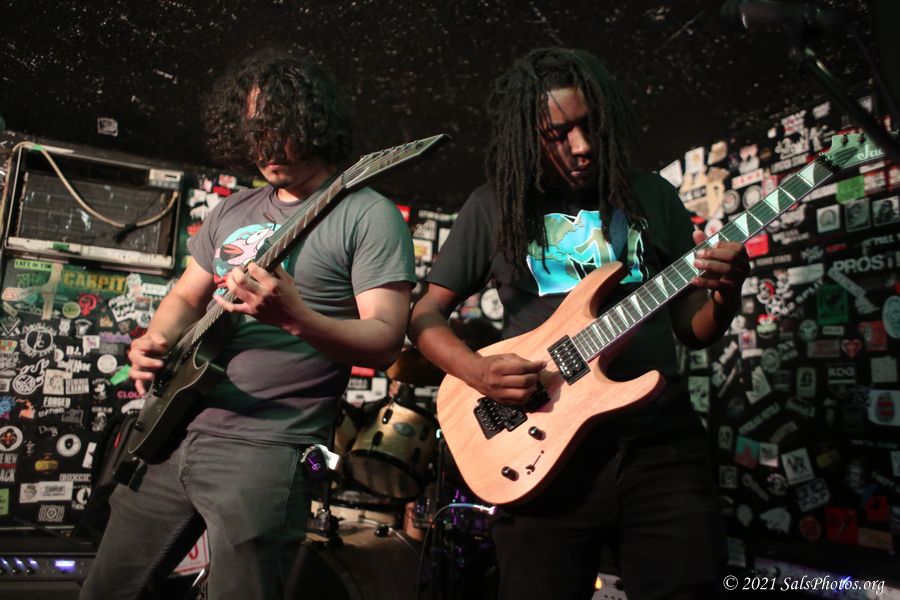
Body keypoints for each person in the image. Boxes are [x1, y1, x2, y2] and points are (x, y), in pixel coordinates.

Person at [409, 47, 749, 600]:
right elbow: (424, 315)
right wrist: (476, 372)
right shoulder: (494, 205)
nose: (583, 145)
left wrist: (726, 295)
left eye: (590, 125)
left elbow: (693, 328)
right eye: (558, 133)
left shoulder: (652, 196)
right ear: (526, 136)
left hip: (659, 447)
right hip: (542, 451)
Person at [80, 50, 416, 600]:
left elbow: (384, 340)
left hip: (267, 447)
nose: (265, 146)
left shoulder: (366, 213)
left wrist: (296, 318)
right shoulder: (231, 210)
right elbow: (185, 297)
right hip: (172, 429)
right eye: (255, 130)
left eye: (279, 129)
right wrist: (158, 340)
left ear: (314, 123)